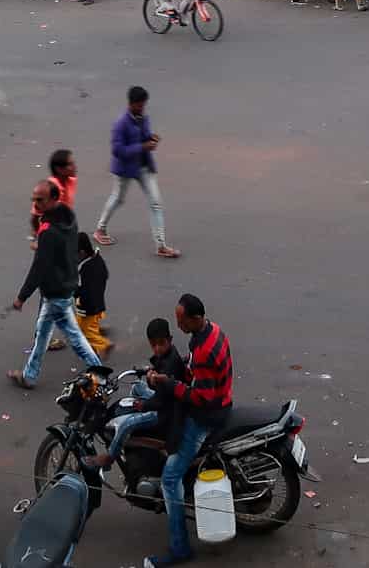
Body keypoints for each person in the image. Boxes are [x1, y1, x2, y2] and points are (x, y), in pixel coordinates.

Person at [145, 294, 233, 568]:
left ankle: (180, 548)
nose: (178, 325)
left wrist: (170, 384)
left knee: (170, 478)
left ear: (195, 318)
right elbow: (196, 368)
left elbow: (201, 398)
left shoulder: (204, 350)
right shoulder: (211, 330)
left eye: (181, 321)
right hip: (222, 400)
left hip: (207, 416)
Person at [8, 179, 100, 389]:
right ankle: (29, 376)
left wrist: (22, 297)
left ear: (53, 199)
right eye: (34, 199)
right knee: (42, 334)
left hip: (56, 291)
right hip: (64, 284)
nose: (36, 203)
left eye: (40, 199)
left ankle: (99, 373)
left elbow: (39, 268)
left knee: (75, 339)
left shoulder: (48, 231)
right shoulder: (68, 219)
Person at [87, 316, 188, 471]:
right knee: (137, 387)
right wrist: (147, 372)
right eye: (154, 345)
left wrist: (143, 405)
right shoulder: (167, 355)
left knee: (126, 424)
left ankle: (109, 457)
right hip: (163, 398)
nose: (158, 349)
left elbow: (161, 401)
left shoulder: (171, 364)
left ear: (170, 339)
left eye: (161, 344)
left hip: (165, 411)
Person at [95, 87, 174, 254]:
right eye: (139, 105)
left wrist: (151, 139)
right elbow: (118, 151)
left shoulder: (143, 118)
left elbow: (144, 136)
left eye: (143, 105)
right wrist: (143, 146)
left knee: (156, 203)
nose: (142, 108)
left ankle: (161, 245)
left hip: (144, 166)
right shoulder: (120, 124)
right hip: (125, 169)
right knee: (118, 199)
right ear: (131, 104)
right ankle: (100, 229)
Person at [76, 234, 113, 358]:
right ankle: (96, 333)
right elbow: (105, 275)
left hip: (87, 306)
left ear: (81, 253)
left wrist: (76, 293)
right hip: (98, 302)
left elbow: (83, 290)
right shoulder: (97, 258)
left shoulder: (85, 269)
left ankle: (104, 345)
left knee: (83, 330)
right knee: (90, 324)